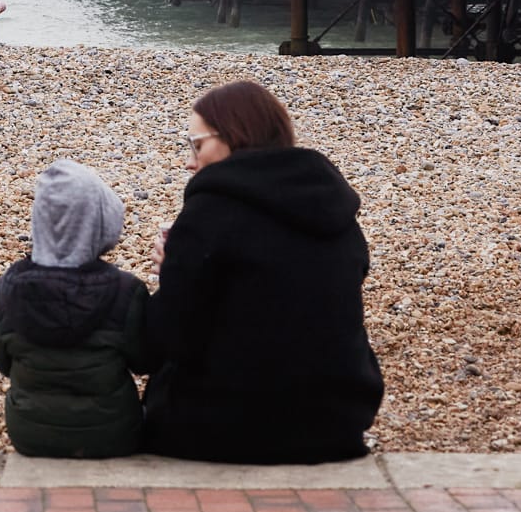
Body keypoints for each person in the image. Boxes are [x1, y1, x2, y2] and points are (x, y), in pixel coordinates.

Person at [143, 77, 383, 463]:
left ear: (234, 137)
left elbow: (164, 341)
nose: (189, 161)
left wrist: (172, 275)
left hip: (227, 427)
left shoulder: (209, 212)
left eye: (197, 144)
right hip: (336, 423)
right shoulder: (333, 207)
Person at [0, 160, 151, 458]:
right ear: (101, 223)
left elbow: (1, 360)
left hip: (30, 433)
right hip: (112, 433)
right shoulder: (126, 291)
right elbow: (144, 360)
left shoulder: (8, 289)